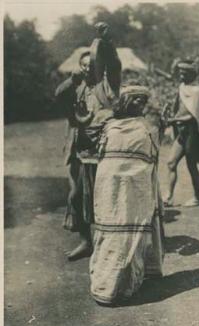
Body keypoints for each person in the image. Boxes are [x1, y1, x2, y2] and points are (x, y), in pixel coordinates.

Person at [89, 85, 165, 305]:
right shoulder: (111, 126)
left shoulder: (144, 128)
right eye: (136, 100)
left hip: (130, 189)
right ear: (126, 102)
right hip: (113, 190)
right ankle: (110, 286)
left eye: (142, 100)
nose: (139, 104)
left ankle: (123, 284)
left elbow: (150, 159)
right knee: (116, 233)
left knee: (128, 233)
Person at [55, 22, 121, 261]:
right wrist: (71, 82)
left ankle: (109, 245)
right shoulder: (77, 87)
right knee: (76, 196)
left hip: (106, 151)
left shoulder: (108, 84)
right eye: (83, 66)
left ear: (98, 66)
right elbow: (58, 96)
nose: (87, 69)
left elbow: (114, 64)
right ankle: (86, 241)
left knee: (106, 199)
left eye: (91, 64)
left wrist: (107, 42)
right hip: (83, 152)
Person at [163, 59, 199, 207]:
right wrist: (170, 115)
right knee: (171, 162)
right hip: (181, 133)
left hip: (192, 133)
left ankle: (197, 197)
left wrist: (175, 120)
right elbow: (178, 107)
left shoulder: (197, 91)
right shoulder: (181, 88)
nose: (181, 75)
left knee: (191, 165)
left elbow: (194, 116)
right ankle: (169, 196)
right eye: (180, 72)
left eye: (185, 73)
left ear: (192, 74)